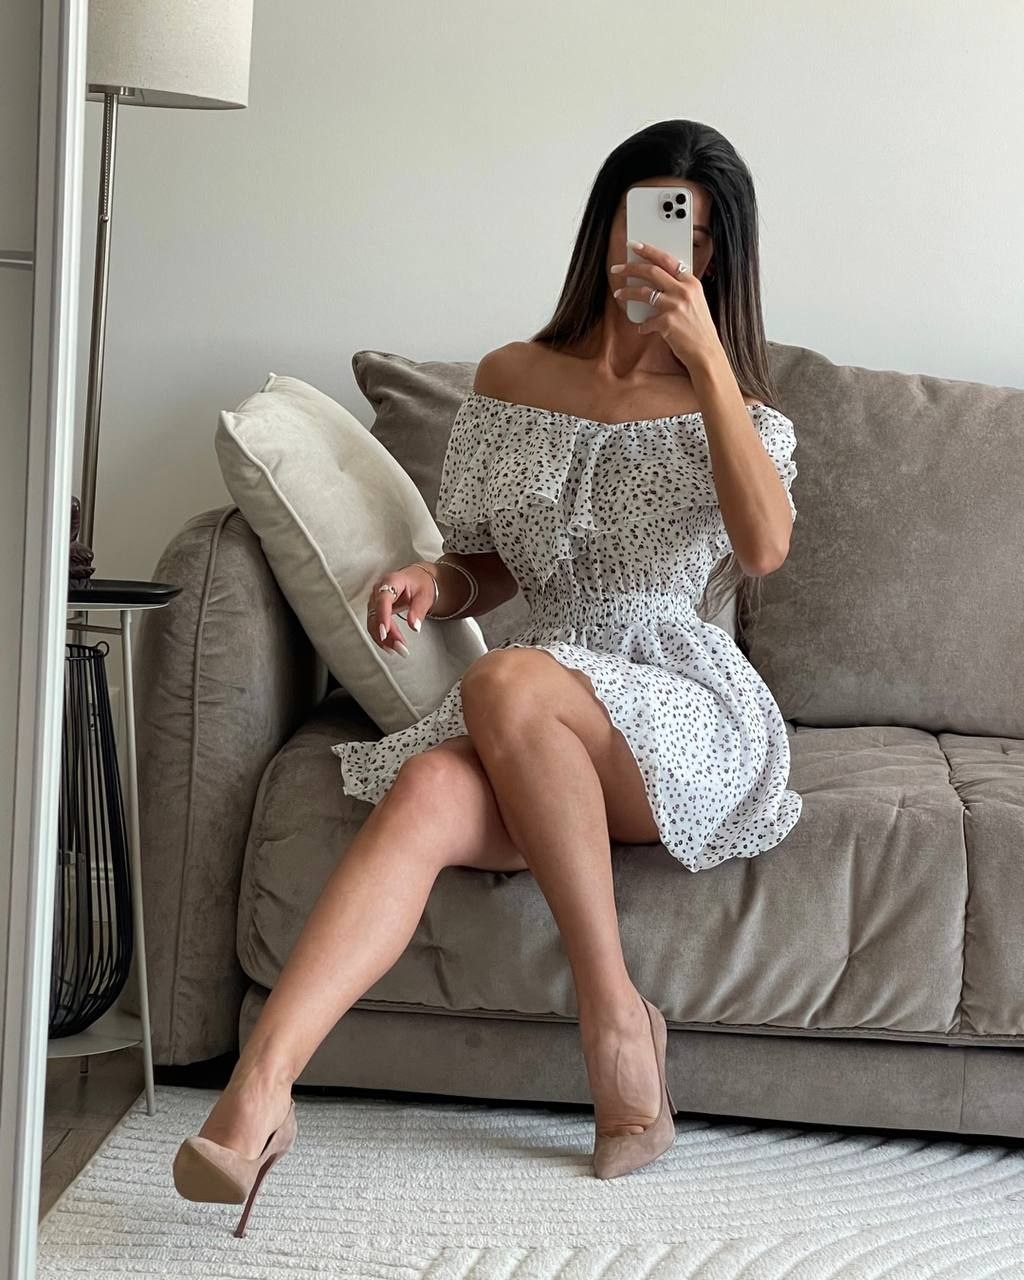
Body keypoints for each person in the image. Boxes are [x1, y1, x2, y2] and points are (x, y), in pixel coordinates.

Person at [172, 117, 802, 1230]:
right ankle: (259, 1094)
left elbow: (763, 550)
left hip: (676, 706)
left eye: (698, 239)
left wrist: (707, 363)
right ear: (606, 226)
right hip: (538, 707)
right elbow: (494, 565)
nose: (668, 252)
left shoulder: (737, 408)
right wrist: (432, 579)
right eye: (652, 220)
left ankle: (615, 1021)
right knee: (428, 783)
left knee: (503, 683)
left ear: (720, 261)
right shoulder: (513, 378)